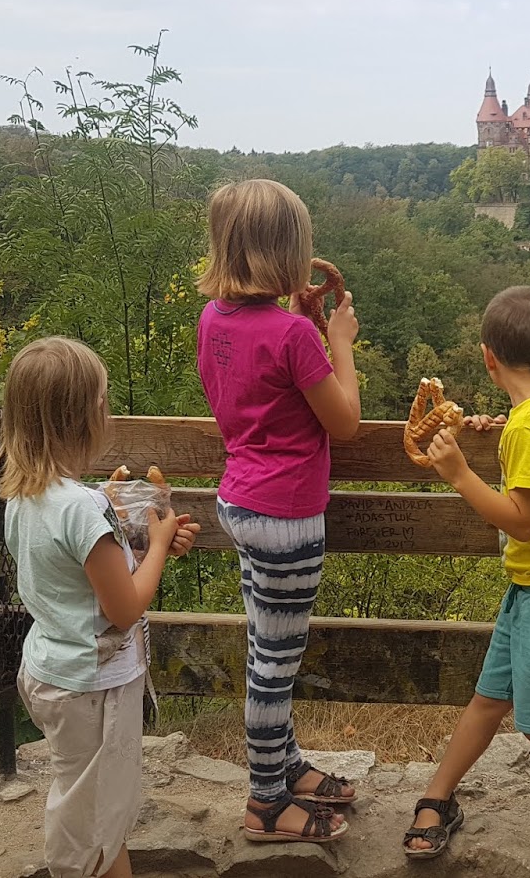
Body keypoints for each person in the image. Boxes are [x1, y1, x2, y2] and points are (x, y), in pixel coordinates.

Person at [404, 285, 530, 877]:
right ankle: (439, 796)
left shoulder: (528, 431)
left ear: (488, 358)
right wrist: (502, 428)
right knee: (489, 699)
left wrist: (459, 473)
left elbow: (523, 522)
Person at [195, 179, 362, 843]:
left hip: (239, 502)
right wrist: (339, 339)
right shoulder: (296, 335)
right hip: (287, 518)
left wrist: (300, 317)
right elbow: (344, 423)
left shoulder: (213, 319)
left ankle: (284, 764)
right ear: (289, 251)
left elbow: (258, 385)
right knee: (275, 665)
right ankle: (265, 803)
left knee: (266, 645)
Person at [0, 336, 199, 878]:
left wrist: (132, 537)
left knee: (92, 808)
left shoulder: (24, 495)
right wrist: (157, 546)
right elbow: (124, 608)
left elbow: (74, 576)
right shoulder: (84, 509)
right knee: (96, 830)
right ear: (87, 415)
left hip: (51, 671)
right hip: (94, 687)